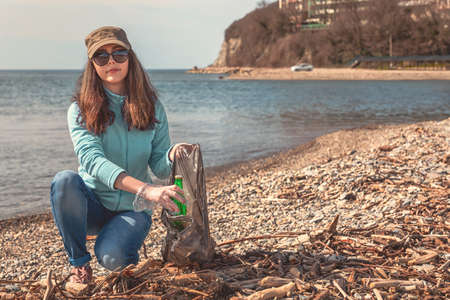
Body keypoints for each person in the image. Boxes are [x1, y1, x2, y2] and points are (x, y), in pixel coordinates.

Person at [50, 26, 189, 284]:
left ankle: (118, 242)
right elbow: (93, 161)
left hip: (132, 210)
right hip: (92, 204)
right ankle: (79, 265)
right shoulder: (79, 110)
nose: (111, 61)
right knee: (64, 181)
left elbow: (159, 166)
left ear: (130, 58)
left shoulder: (152, 106)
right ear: (93, 65)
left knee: (113, 259)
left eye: (118, 54)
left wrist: (171, 155)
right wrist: (146, 189)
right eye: (101, 56)